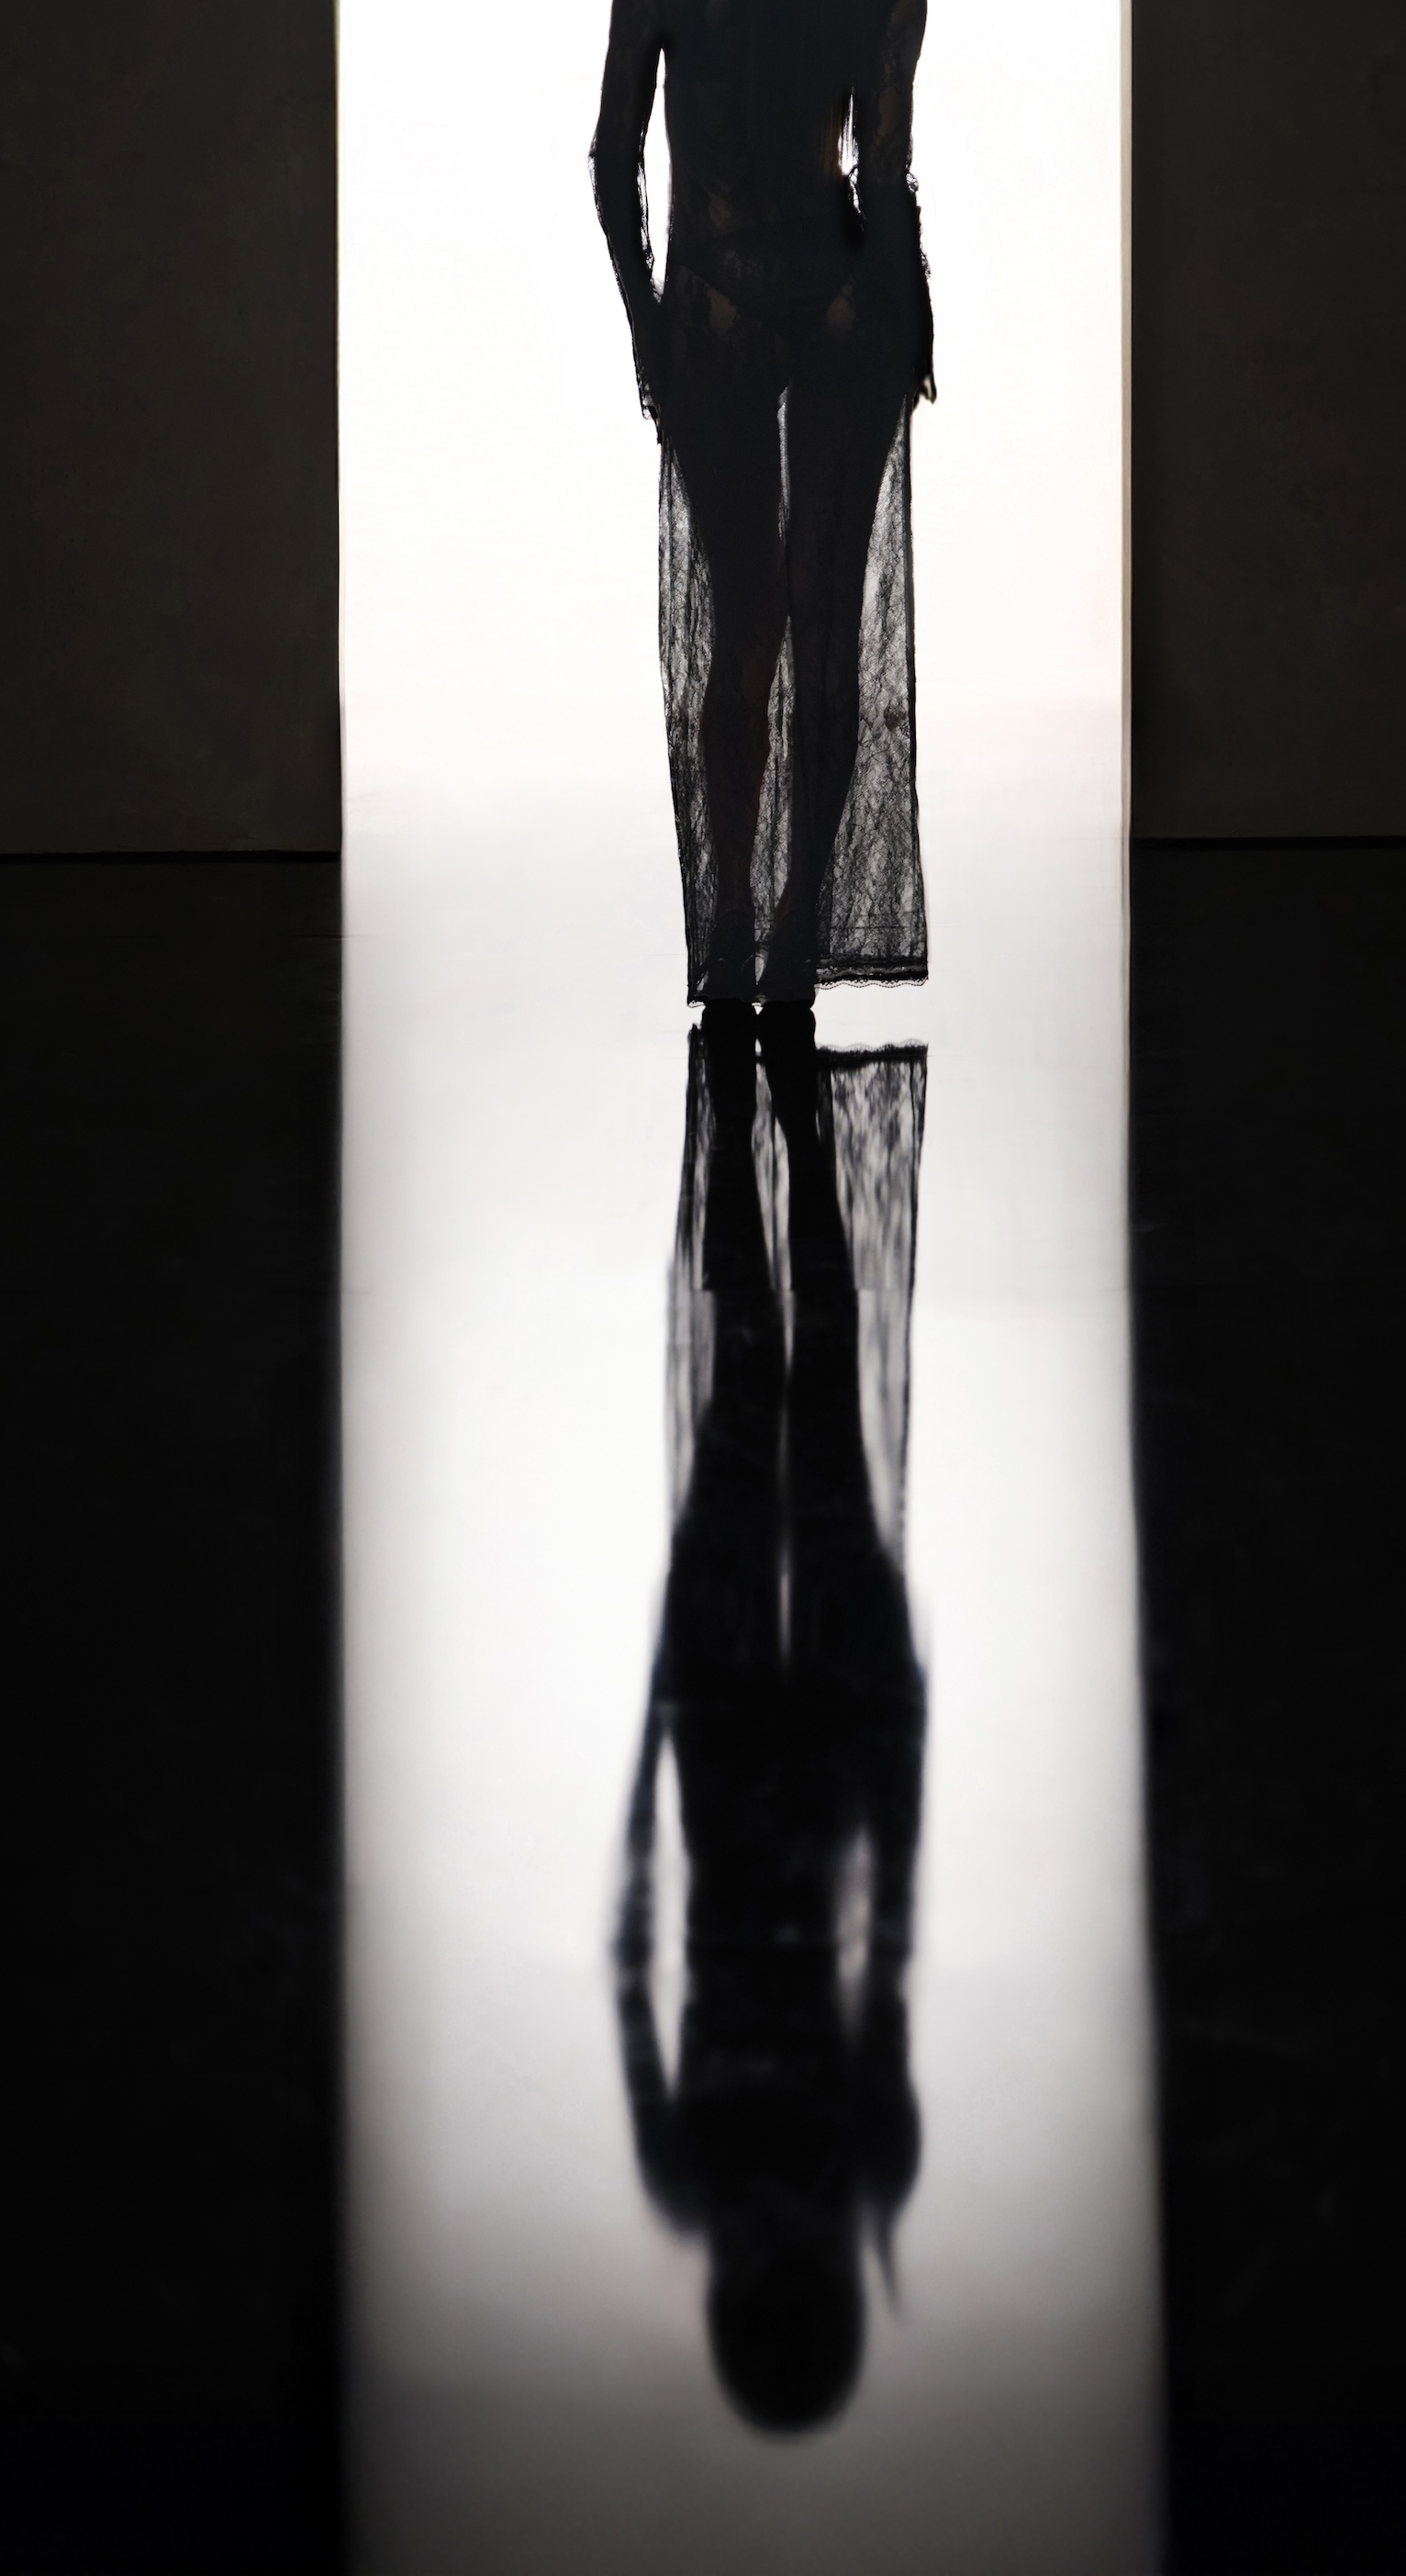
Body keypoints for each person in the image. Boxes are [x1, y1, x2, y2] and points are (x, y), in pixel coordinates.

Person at [591, 0, 933, 1007]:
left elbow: (615, 158)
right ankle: (790, 934)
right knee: (825, 624)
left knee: (746, 619)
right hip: (846, 310)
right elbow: (882, 180)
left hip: (719, 310)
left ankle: (738, 914)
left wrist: (652, 323)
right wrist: (901, 315)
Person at [615, 1010, 927, 2435]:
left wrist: (652, 1730)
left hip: (752, 1765)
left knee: (771, 1407)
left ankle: (766, 1114)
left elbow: (635, 1957)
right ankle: (776, 1114)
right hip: (789, 1768)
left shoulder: (734, 2176)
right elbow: (886, 1950)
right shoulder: (836, 2167)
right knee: (798, 1413)